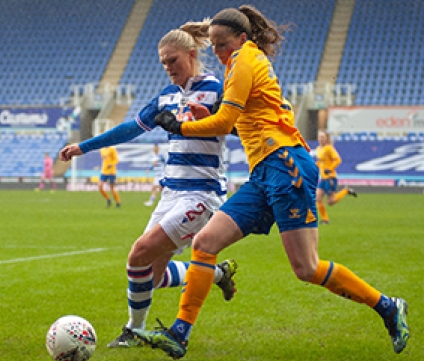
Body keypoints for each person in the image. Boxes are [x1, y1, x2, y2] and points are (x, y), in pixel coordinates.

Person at [136, 5, 409, 358]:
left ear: (242, 39)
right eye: (214, 46)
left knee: (306, 268)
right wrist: (212, 117)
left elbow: (224, 123)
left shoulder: (245, 61)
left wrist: (181, 126)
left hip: (286, 166)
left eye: (223, 45)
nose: (219, 53)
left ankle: (388, 306)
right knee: (204, 242)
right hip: (264, 171)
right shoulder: (241, 63)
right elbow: (241, 122)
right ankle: (179, 334)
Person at [59, 22, 238, 349]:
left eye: (173, 60)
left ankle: (133, 331)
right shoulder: (166, 97)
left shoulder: (216, 89)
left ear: (191, 54)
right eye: (163, 63)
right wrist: (84, 146)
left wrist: (206, 119)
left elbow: (240, 128)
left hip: (202, 196)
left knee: (137, 253)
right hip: (171, 194)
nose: (168, 68)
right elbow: (129, 129)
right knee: (149, 274)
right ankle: (216, 274)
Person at [315, 129, 357, 224]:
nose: (321, 139)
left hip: (330, 177)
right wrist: (315, 165)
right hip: (323, 178)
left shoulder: (329, 148)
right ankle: (325, 219)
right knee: (318, 198)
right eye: (320, 137)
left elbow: (338, 160)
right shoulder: (318, 149)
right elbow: (321, 162)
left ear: (326, 138)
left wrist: (330, 168)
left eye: (323, 137)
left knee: (331, 201)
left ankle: (346, 191)